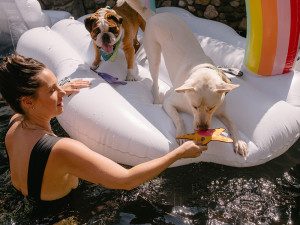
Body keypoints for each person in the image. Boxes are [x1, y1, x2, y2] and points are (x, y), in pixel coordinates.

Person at [0, 54, 207, 202]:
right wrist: (180, 152)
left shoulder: (14, 125)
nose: (61, 93)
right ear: (27, 102)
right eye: (52, 90)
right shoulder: (62, 149)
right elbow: (126, 181)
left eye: (57, 86)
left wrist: (57, 91)